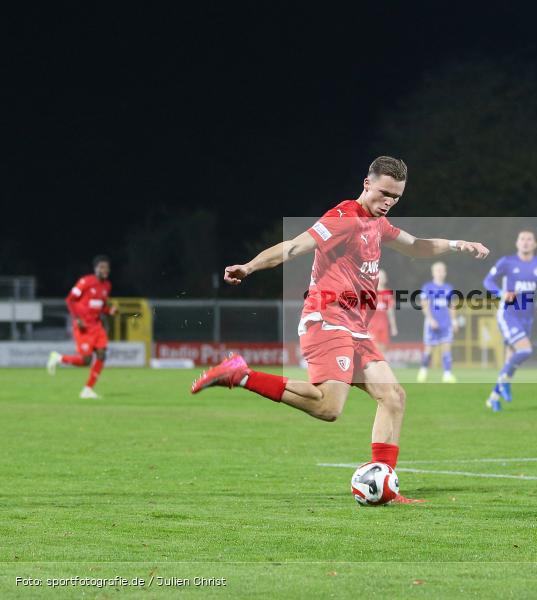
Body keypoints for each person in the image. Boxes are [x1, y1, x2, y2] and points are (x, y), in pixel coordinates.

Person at [190, 156, 489, 502]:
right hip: (327, 319)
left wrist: (457, 245)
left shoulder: (378, 224)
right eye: (384, 193)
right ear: (367, 184)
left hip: (356, 328)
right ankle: (240, 375)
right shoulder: (343, 217)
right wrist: (250, 266)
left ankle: (384, 485)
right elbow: (294, 246)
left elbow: (416, 245)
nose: (388, 202)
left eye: (396, 197)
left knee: (393, 398)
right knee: (329, 408)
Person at [482, 230, 537, 411]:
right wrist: (501, 293)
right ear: (517, 243)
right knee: (525, 350)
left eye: (529, 239)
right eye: (522, 239)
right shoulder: (507, 262)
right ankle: (505, 383)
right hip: (508, 314)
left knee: (511, 360)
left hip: (527, 317)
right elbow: (488, 281)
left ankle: (493, 398)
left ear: (535, 244)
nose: (525, 242)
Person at [47, 255, 118, 398]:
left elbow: (100, 306)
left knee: (102, 354)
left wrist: (109, 311)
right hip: (83, 326)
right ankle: (58, 358)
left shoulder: (107, 286)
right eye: (102, 267)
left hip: (97, 326)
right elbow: (70, 300)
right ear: (95, 269)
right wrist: (77, 318)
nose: (105, 270)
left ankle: (87, 390)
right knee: (86, 360)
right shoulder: (85, 282)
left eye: (107, 267)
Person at [416, 262, 458, 383]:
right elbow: (424, 305)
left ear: (445, 272)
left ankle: (447, 374)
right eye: (437, 270)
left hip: (446, 322)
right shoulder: (427, 287)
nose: (440, 273)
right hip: (432, 323)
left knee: (446, 348)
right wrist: (430, 320)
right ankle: (423, 371)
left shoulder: (448, 288)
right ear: (433, 272)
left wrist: (454, 321)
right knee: (429, 349)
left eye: (442, 270)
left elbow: (452, 306)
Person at [368, 269, 398, 354]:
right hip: (372, 326)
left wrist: (393, 326)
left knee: (383, 349)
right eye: (379, 277)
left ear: (386, 279)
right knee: (374, 348)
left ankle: (382, 362)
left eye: (383, 277)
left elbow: (390, 311)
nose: (381, 279)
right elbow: (364, 312)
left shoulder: (388, 293)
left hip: (384, 325)